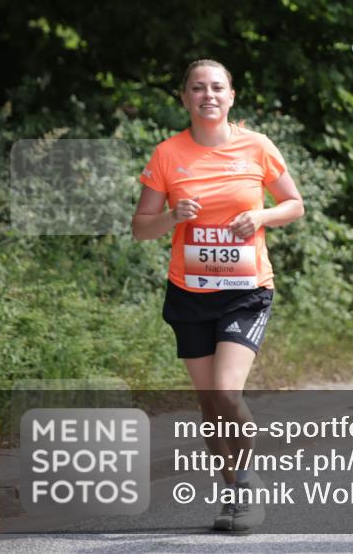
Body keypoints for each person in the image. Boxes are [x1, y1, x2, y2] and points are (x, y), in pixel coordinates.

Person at [131, 59, 304, 531]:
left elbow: (295, 204)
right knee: (209, 402)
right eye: (197, 88)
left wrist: (262, 218)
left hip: (246, 290)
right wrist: (172, 217)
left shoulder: (257, 146)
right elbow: (140, 228)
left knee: (227, 391)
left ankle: (246, 478)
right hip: (189, 292)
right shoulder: (168, 154)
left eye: (217, 88)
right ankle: (232, 490)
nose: (208, 95)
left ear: (231, 97)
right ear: (184, 97)